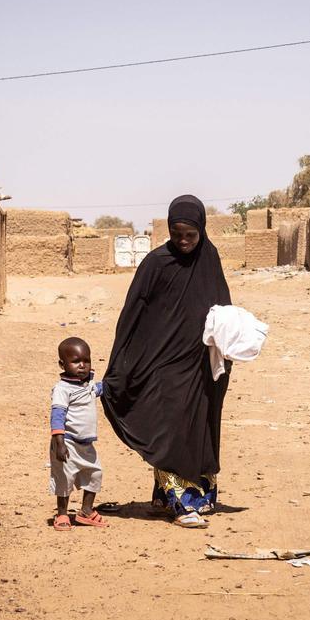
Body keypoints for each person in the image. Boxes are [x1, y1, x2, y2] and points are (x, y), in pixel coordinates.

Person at [102, 195, 232, 529]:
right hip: (162, 363)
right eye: (177, 235)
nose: (184, 242)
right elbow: (132, 314)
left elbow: (223, 309)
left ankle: (179, 498)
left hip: (200, 364)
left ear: (202, 229)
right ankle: (180, 503)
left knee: (197, 426)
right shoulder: (156, 263)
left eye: (191, 234)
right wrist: (123, 363)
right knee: (171, 428)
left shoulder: (210, 259)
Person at [49, 336, 109, 531]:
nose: (82, 365)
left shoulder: (89, 385)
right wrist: (59, 442)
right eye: (75, 361)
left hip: (86, 444)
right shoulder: (62, 389)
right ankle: (62, 514)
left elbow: (103, 388)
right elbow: (57, 415)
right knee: (64, 479)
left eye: (86, 360)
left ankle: (86, 511)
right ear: (62, 364)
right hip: (67, 443)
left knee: (95, 474)